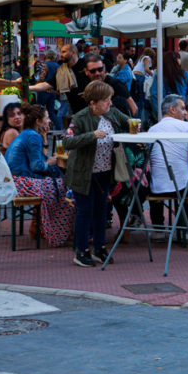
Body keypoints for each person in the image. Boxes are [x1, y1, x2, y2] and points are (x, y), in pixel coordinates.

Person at [63, 80, 130, 268]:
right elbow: (67, 142)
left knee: (101, 210)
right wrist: (91, 135)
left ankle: (100, 248)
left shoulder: (111, 113)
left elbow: (128, 121)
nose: (110, 103)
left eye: (110, 99)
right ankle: (81, 251)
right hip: (83, 173)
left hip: (104, 171)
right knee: (84, 211)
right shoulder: (80, 118)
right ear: (93, 102)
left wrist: (134, 123)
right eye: (106, 100)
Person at [5, 105, 70, 247]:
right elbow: (38, 166)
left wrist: (44, 139)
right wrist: (52, 162)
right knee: (66, 190)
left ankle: (43, 228)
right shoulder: (33, 136)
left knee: (59, 185)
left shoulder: (28, 134)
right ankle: (57, 232)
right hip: (23, 183)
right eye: (46, 117)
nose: (49, 120)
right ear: (38, 121)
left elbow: (38, 160)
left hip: (15, 180)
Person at [146, 95, 188, 240]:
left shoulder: (152, 130)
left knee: (158, 174)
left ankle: (158, 229)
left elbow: (149, 160)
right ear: (172, 109)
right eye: (182, 108)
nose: (185, 113)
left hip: (156, 187)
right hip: (182, 187)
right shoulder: (187, 127)